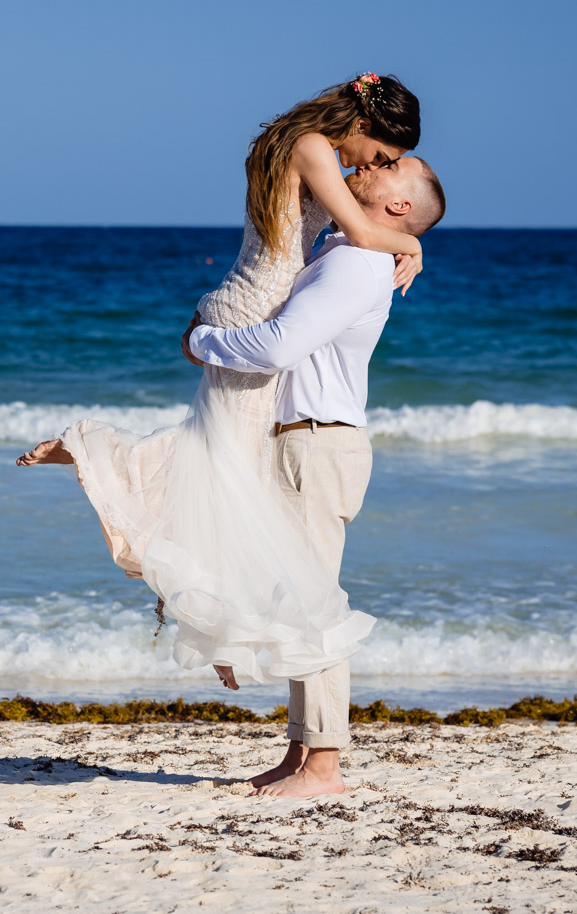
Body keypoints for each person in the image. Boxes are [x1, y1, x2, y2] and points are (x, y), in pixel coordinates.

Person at [17, 73, 424, 765]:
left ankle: (215, 624)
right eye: (380, 152)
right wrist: (411, 243)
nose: (371, 166)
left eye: (383, 165)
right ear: (363, 118)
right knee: (219, 471)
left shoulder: (282, 141)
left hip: (242, 301)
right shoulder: (316, 150)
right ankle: (98, 457)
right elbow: (359, 229)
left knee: (221, 471)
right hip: (254, 315)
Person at [184, 155, 446, 796]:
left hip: (319, 444)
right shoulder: (342, 246)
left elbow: (276, 346)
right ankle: (300, 752)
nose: (371, 164)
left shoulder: (357, 264)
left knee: (316, 606)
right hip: (298, 440)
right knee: (298, 601)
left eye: (392, 167)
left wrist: (202, 344)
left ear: (400, 205)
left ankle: (325, 763)